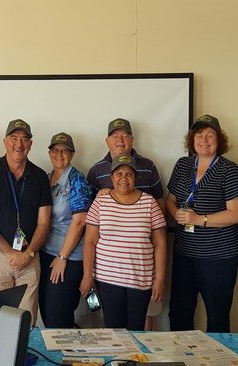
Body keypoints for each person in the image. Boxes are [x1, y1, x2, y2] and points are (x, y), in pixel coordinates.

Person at [165, 114, 238, 333]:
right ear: (192, 139)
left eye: (210, 134)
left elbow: (235, 214)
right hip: (184, 253)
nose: (204, 139)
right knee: (179, 312)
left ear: (220, 140)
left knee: (217, 315)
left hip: (219, 256)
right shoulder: (183, 165)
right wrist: (177, 214)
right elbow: (169, 200)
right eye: (199, 134)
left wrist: (198, 220)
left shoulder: (229, 170)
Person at [86, 117, 166, 329]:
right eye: (114, 135)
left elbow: (160, 239)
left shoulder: (149, 194)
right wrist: (87, 275)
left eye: (129, 174)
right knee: (112, 329)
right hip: (108, 276)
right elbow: (90, 238)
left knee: (138, 329)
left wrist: (158, 278)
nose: (123, 178)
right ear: (111, 178)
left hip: (140, 273)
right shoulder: (96, 175)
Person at [0, 119, 52, 325]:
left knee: (26, 320)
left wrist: (29, 253)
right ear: (5, 142)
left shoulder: (40, 177)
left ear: (31, 144)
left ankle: (23, 357)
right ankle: (1, 357)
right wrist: (10, 253)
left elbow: (44, 222)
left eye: (25, 139)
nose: (19, 144)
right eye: (14, 138)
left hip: (30, 258)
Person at [38, 132, 93, 328]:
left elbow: (80, 221)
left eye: (64, 150)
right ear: (49, 152)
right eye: (55, 149)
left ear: (72, 154)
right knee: (45, 310)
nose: (59, 154)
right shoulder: (45, 178)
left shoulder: (77, 181)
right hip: (45, 253)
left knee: (57, 316)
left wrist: (62, 258)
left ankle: (69, 357)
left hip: (67, 258)